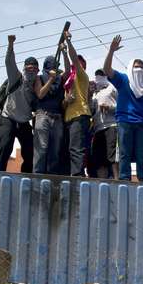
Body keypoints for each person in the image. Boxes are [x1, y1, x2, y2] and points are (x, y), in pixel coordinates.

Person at [103, 35, 143, 182]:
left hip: (142, 123)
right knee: (125, 153)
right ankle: (125, 179)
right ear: (130, 67)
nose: (138, 69)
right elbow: (107, 70)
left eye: (141, 67)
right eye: (136, 66)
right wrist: (111, 51)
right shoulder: (123, 79)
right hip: (124, 121)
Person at [0, 35, 36, 173]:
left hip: (24, 122)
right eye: (29, 68)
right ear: (24, 68)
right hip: (9, 118)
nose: (32, 72)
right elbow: (9, 61)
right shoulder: (16, 77)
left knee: (30, 151)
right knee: (5, 146)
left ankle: (26, 177)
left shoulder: (37, 85)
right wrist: (10, 44)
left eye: (35, 69)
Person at [34, 50, 70, 175]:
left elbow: (68, 71)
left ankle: (52, 176)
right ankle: (38, 175)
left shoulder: (60, 79)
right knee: (42, 148)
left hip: (57, 118)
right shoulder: (39, 78)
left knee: (55, 150)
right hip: (43, 115)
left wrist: (65, 53)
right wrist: (50, 80)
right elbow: (40, 94)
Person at [61, 31, 92, 177]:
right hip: (70, 117)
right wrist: (63, 53)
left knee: (76, 149)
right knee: (72, 148)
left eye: (78, 63)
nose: (75, 64)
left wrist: (68, 42)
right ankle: (74, 174)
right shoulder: (70, 80)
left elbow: (73, 59)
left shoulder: (81, 75)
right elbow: (68, 66)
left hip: (79, 114)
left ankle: (77, 176)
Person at [90, 69, 119, 178]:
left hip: (112, 126)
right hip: (97, 129)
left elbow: (122, 107)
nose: (98, 77)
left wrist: (110, 108)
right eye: (96, 75)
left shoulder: (113, 88)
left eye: (101, 74)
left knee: (113, 158)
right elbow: (91, 111)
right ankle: (102, 184)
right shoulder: (94, 93)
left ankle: (117, 183)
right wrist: (89, 95)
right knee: (99, 160)